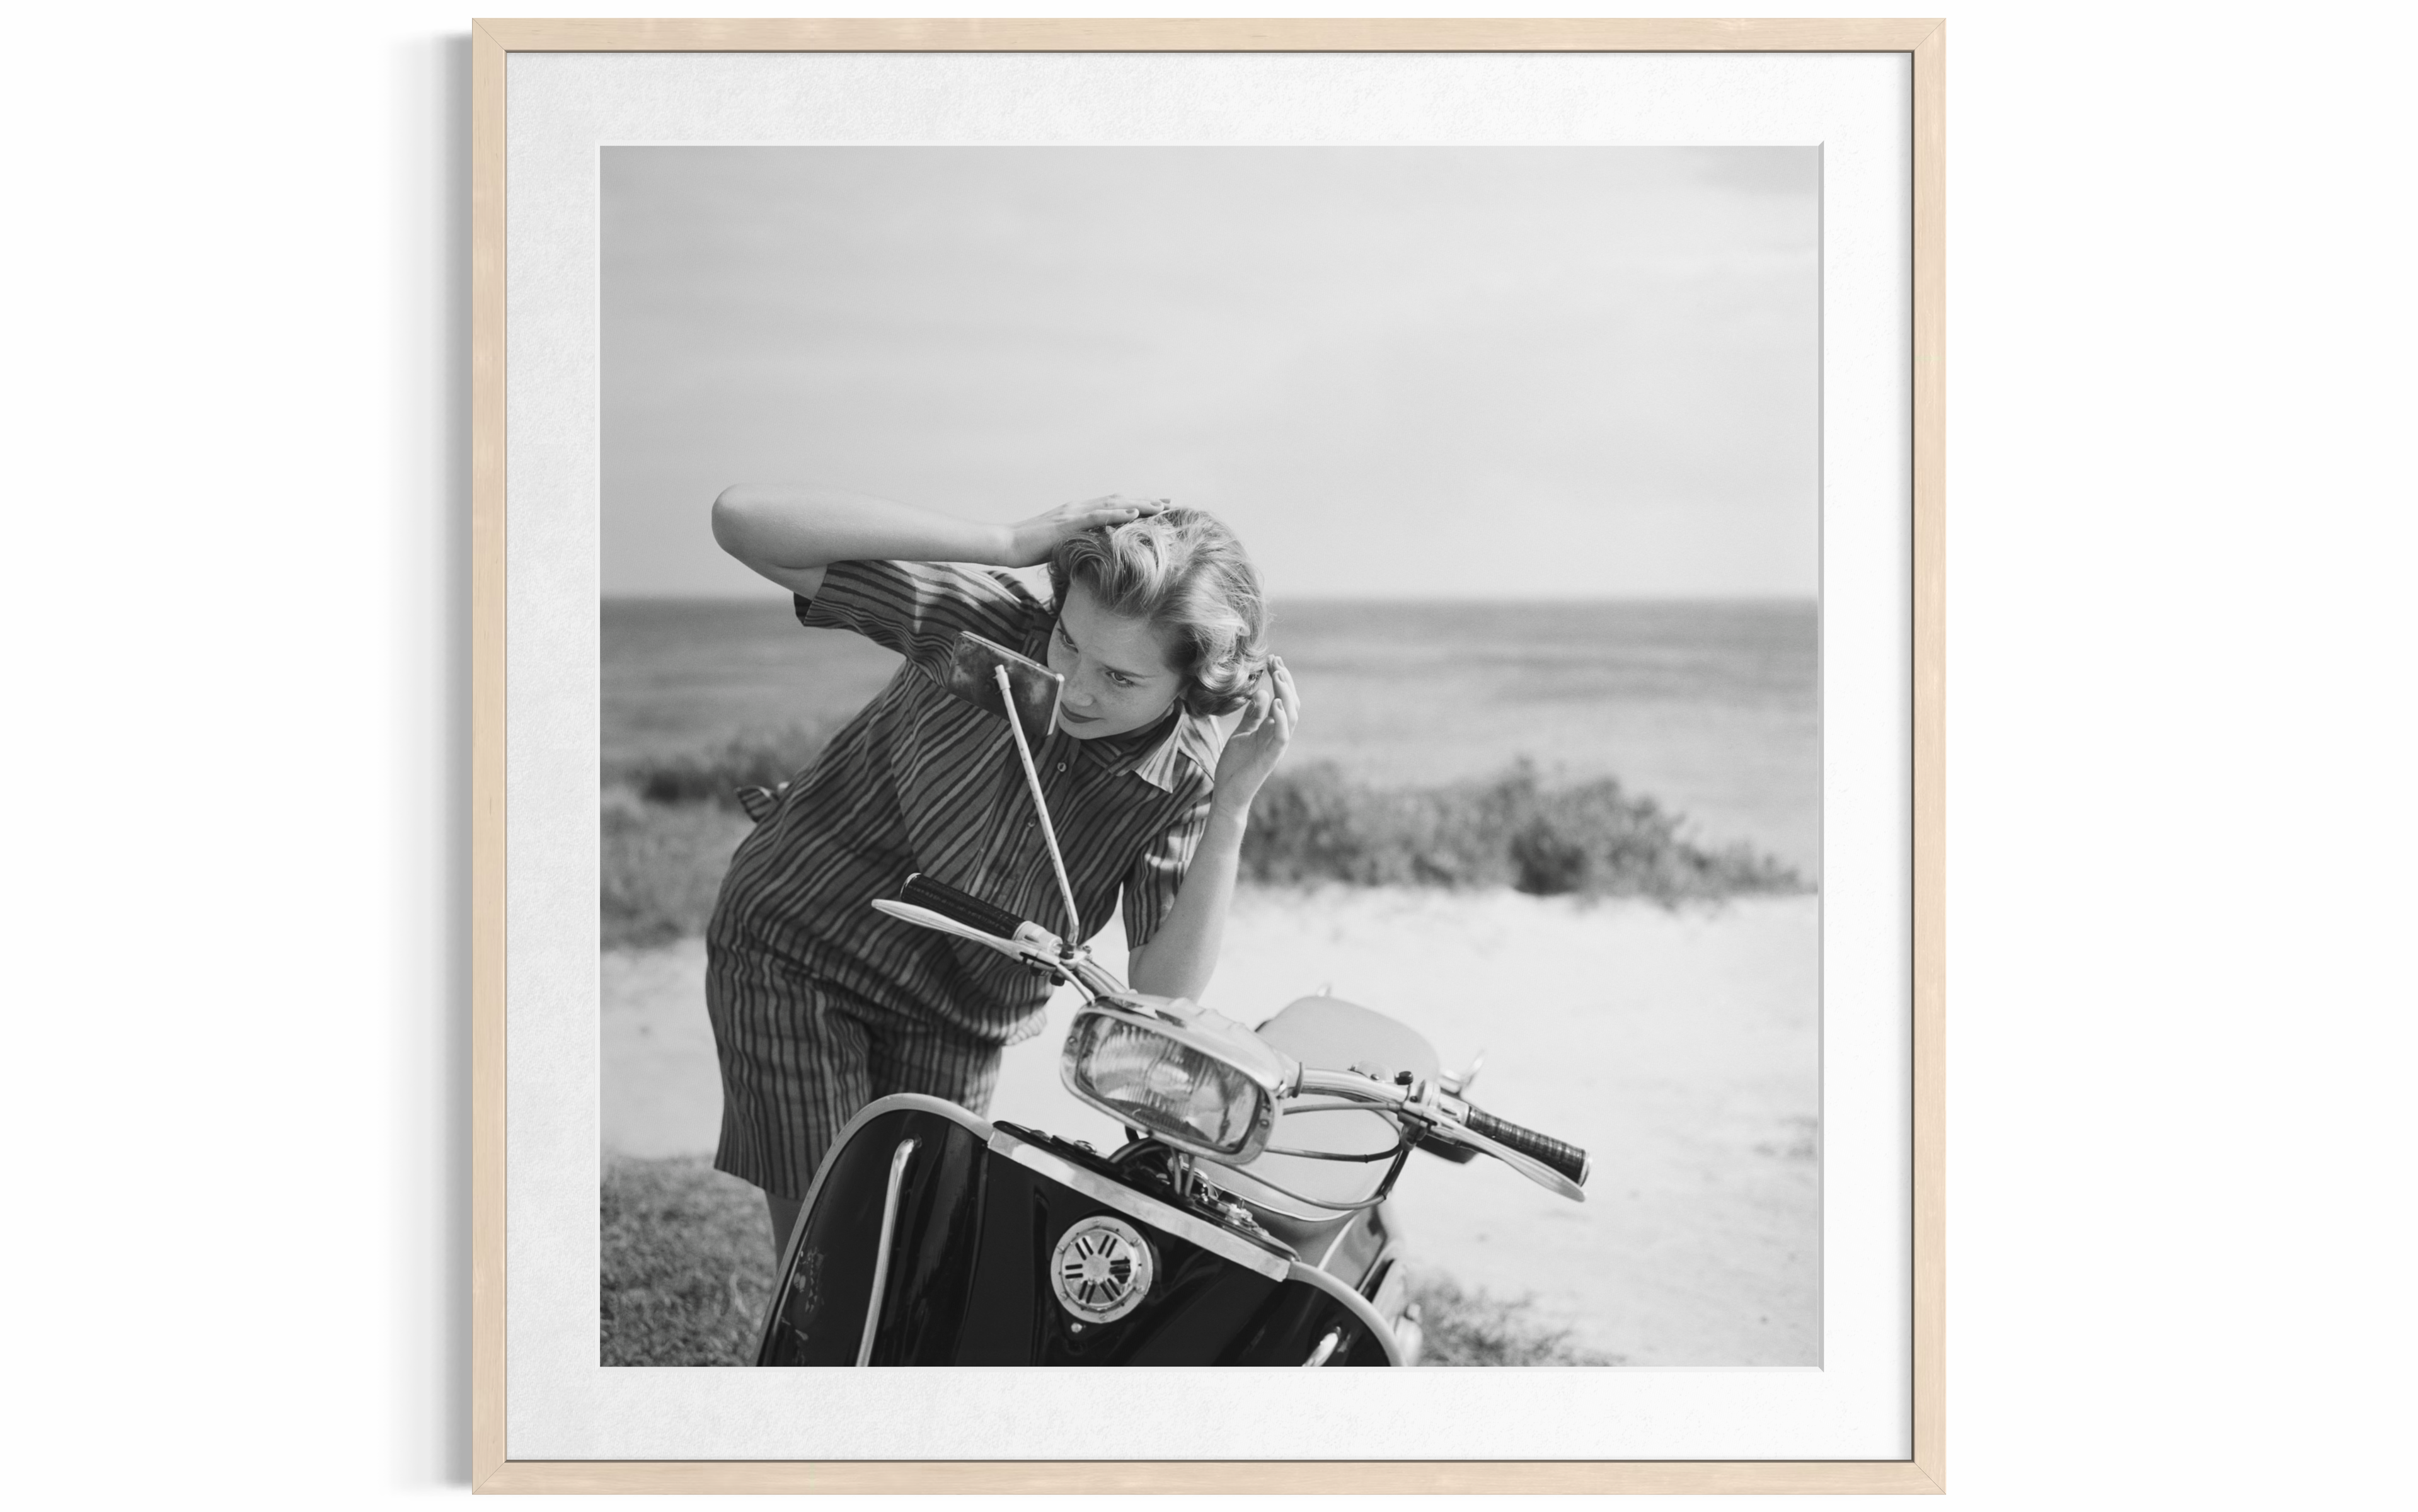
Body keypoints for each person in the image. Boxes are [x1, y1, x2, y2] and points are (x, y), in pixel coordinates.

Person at [703, 484, 1301, 1254]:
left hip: (960, 1019)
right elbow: (745, 522)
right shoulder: (982, 636)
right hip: (798, 950)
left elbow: (1161, 993)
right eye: (1070, 644)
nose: (1078, 690)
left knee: (918, 1260)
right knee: (834, 1251)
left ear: (1195, 684)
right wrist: (1006, 540)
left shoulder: (1183, 779)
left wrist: (1233, 808)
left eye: (1122, 678)